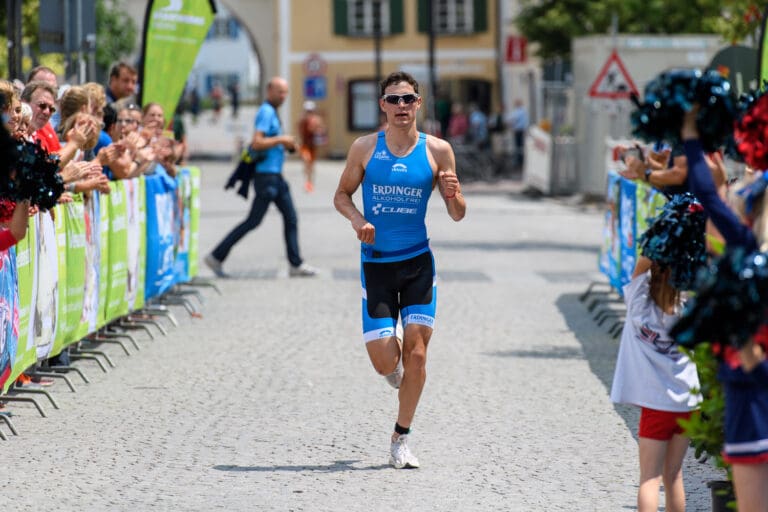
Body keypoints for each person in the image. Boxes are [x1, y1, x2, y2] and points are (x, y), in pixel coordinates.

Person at [333, 71, 466, 469]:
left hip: (418, 265)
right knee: (385, 364)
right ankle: (395, 373)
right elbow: (341, 194)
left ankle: (400, 439)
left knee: (419, 356)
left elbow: (457, 215)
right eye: (394, 99)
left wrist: (454, 195)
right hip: (376, 267)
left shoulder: (438, 151)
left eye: (408, 99)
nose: (401, 106)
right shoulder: (364, 148)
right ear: (383, 106)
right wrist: (358, 221)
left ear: (419, 104)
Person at [610, 194, 705, 512]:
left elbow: (644, 258)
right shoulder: (688, 304)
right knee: (674, 475)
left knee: (649, 479)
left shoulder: (638, 297)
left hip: (655, 403)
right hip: (687, 400)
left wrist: (666, 228)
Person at [204, 76, 317, 278]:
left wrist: (286, 145)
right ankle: (216, 256)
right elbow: (256, 143)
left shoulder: (272, 112)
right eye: (279, 91)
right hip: (266, 177)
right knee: (254, 221)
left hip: (275, 176)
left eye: (285, 92)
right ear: (269, 91)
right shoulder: (265, 112)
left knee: (289, 218)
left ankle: (295, 264)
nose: (283, 96)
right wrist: (282, 139)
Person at [297, 100, 325, 193]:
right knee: (307, 160)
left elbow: (321, 131)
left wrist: (318, 131)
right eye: (307, 111)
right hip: (305, 145)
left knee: (311, 165)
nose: (309, 113)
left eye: (310, 111)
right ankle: (307, 181)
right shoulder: (302, 120)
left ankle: (310, 182)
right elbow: (299, 131)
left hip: (313, 145)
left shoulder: (316, 120)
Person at [505, 99, 529, 168]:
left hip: (518, 130)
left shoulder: (519, 111)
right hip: (520, 130)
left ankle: (519, 161)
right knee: (520, 146)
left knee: (518, 146)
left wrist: (509, 125)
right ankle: (520, 160)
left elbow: (512, 119)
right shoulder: (523, 111)